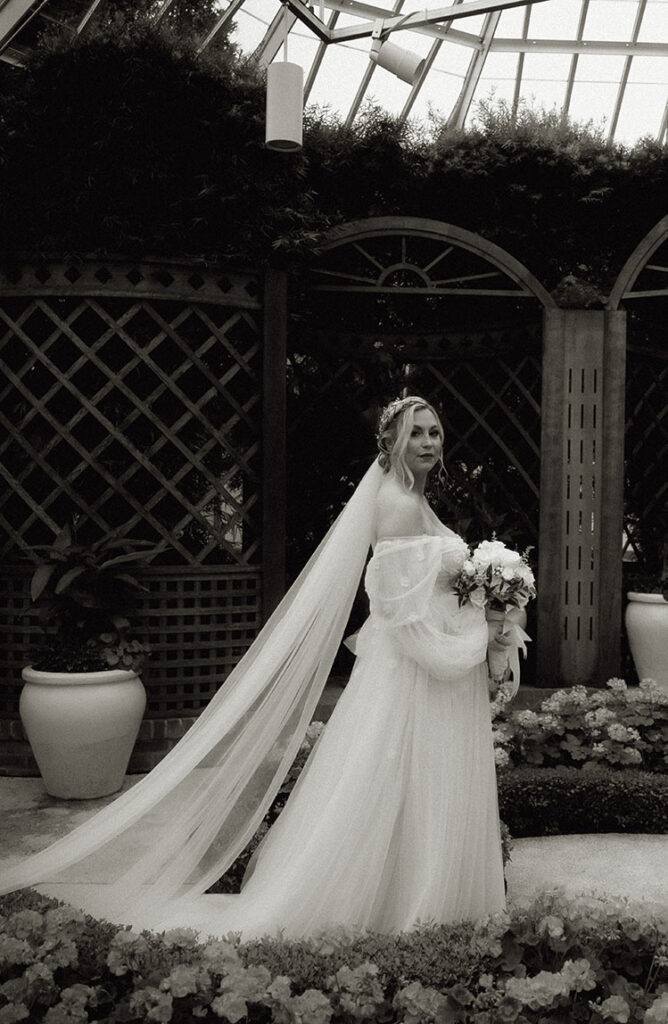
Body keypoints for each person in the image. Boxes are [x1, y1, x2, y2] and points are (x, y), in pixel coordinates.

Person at [0, 397, 518, 939]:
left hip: (422, 671)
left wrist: (488, 600)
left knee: (412, 786)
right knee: (392, 781)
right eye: (416, 433)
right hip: (415, 674)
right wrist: (478, 640)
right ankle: (408, 906)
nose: (429, 443)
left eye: (435, 432)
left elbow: (420, 596)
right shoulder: (398, 505)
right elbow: (400, 616)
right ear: (390, 442)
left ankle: (414, 894)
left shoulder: (414, 499)